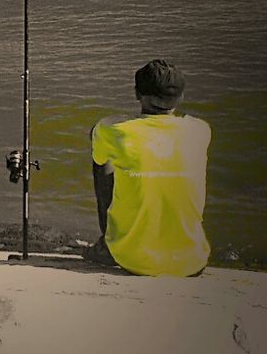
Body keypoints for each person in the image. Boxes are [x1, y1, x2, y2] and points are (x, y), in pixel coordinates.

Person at [86, 59, 211, 276]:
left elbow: (97, 134)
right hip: (192, 261)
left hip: (132, 258)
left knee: (103, 159)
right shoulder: (200, 130)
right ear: (181, 97)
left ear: (137, 94)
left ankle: (108, 244)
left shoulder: (112, 129)